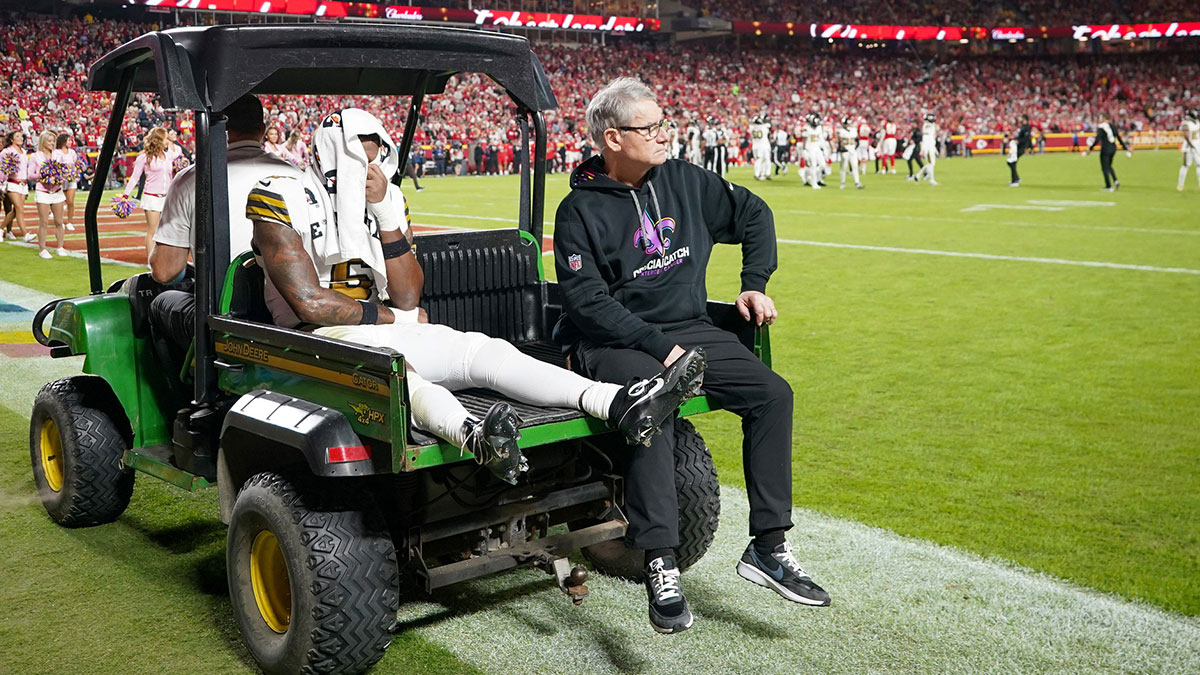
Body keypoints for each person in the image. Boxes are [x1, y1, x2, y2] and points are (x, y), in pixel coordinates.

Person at [248, 107, 706, 485]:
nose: (365, 173)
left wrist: (386, 212)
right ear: (327, 161)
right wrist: (394, 321)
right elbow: (309, 303)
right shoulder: (279, 194)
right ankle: (475, 437)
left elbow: (409, 295)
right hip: (313, 339)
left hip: (382, 322)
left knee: (483, 351)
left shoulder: (386, 196)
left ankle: (616, 403)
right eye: (354, 163)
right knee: (400, 374)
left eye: (372, 160)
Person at [552, 78, 829, 636]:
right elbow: (587, 304)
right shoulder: (578, 210)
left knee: (773, 395)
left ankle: (769, 547)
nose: (663, 136)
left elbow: (756, 215)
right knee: (653, 403)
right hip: (613, 343)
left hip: (690, 328)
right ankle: (660, 561)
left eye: (662, 124)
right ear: (612, 137)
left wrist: (753, 284)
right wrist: (662, 349)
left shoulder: (684, 180)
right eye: (649, 128)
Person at [147, 95, 301, 390]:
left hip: (224, 312)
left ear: (221, 130)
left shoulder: (191, 178)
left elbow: (165, 271)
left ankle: (183, 395)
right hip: (291, 305)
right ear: (262, 129)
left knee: (158, 304)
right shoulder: (297, 175)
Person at [124, 126, 174, 254]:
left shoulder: (168, 156)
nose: (167, 141)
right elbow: (135, 177)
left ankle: (162, 258)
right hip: (152, 197)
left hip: (167, 197)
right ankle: (151, 262)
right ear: (158, 140)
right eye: (165, 139)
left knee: (166, 231)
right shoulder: (145, 157)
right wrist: (125, 195)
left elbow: (171, 176)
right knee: (153, 230)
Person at [29, 131, 68, 259]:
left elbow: (64, 171)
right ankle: (43, 249)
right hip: (43, 191)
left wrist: (60, 177)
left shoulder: (58, 154)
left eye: (53, 141)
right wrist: (44, 175)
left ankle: (60, 247)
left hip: (57, 191)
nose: (52, 143)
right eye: (49, 141)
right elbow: (30, 175)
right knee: (44, 221)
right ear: (43, 141)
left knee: (59, 221)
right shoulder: (36, 156)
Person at [1085, 117, 1131, 192]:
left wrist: (1090, 149)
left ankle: (1108, 186)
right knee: (1109, 165)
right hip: (1113, 148)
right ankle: (1115, 181)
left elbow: (1097, 139)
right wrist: (1125, 147)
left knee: (1104, 168)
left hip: (1105, 149)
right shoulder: (1112, 126)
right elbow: (1118, 137)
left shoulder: (1101, 127)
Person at [0, 130, 30, 243]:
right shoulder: (6, 152)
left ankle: (0, 229)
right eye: (17, 136)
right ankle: (25, 234)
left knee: (15, 211)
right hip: (13, 183)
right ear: (12, 139)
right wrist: (2, 183)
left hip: (23, 184)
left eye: (21, 136)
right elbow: (2, 169)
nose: (20, 138)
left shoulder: (24, 152)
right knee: (19, 209)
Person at [55, 133, 82, 231]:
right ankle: (59, 221)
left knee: (70, 202)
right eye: (69, 140)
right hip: (60, 180)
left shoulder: (72, 152)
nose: (71, 142)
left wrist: (75, 172)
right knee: (59, 202)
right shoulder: (56, 152)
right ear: (63, 141)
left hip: (71, 179)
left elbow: (75, 164)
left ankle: (70, 222)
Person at [835, 116, 864, 190]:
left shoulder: (853, 130)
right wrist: (842, 148)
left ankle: (857, 182)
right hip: (845, 151)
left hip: (852, 150)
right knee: (843, 167)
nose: (847, 125)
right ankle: (843, 183)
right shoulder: (841, 131)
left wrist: (855, 147)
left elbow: (857, 140)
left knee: (855, 166)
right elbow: (840, 141)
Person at [913, 112, 939, 186]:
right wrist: (924, 149)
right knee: (931, 164)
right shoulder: (928, 126)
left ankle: (918, 175)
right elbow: (927, 138)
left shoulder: (930, 126)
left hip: (930, 147)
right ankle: (931, 180)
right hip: (928, 148)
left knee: (931, 164)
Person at [1179, 108, 1199, 192]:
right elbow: (1186, 135)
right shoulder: (1194, 123)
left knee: (1189, 165)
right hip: (1190, 147)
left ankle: (1180, 185)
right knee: (1186, 165)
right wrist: (1192, 145)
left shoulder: (1190, 123)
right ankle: (1180, 185)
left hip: (1194, 146)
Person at [1009, 115, 1033, 187]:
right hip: (1018, 147)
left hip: (1021, 147)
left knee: (1011, 162)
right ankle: (1016, 178)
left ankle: (1015, 181)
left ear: (1024, 119)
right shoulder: (1023, 126)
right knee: (1012, 162)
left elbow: (1026, 139)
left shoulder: (1026, 127)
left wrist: (1018, 141)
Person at [749, 115, 772, 181]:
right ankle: (761, 173)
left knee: (758, 160)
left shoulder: (751, 128)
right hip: (763, 145)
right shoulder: (764, 127)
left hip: (755, 145)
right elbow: (768, 125)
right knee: (765, 160)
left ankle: (761, 173)